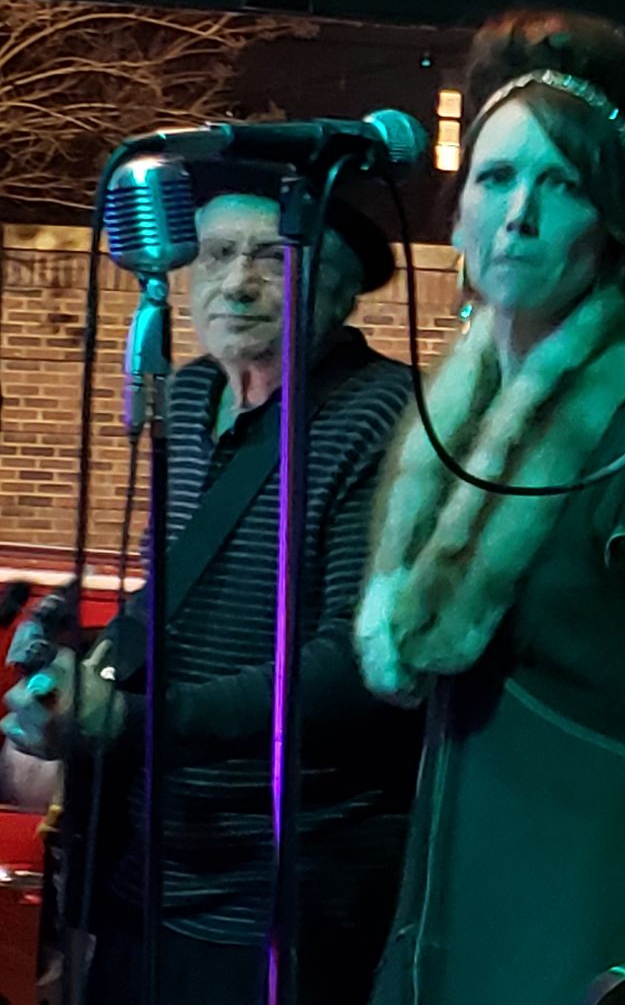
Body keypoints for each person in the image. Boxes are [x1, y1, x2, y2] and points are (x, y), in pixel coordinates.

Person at [1, 163, 419, 1005]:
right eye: (217, 253)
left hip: (278, 889)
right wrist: (82, 672)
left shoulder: (386, 413)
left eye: (272, 257)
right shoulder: (192, 396)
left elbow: (357, 666)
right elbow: (176, 597)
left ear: (341, 287)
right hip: (146, 863)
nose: (236, 282)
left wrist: (134, 720)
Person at [355, 10, 625, 1005]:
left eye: (563, 185)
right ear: (458, 213)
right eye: (496, 178)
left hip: (584, 914)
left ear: (611, 225)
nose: (519, 214)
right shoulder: (444, 431)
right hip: (449, 898)